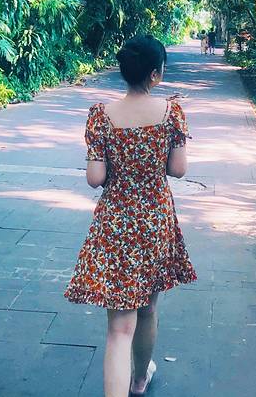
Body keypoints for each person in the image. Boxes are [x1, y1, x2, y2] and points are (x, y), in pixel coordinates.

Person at [65, 35, 197, 397]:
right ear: (155, 74)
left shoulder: (101, 116)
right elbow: (178, 169)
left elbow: (95, 178)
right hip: (154, 220)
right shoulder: (171, 113)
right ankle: (139, 381)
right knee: (148, 308)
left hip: (116, 222)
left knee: (118, 329)